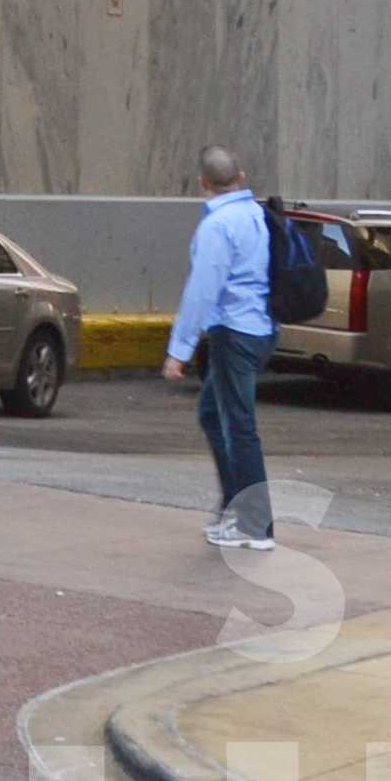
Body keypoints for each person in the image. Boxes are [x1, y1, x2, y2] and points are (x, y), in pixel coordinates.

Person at [159, 147, 277, 552]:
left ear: (203, 184)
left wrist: (180, 350)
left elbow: (202, 291)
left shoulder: (218, 226)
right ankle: (234, 504)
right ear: (240, 177)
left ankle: (255, 524)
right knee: (213, 413)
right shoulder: (256, 215)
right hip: (259, 328)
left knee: (239, 427)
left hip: (234, 333)